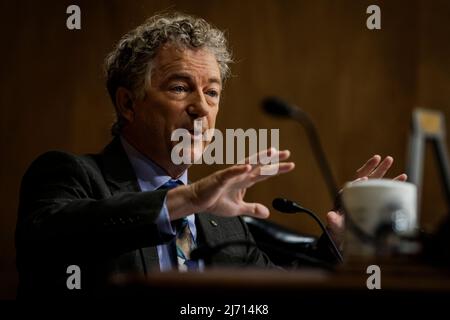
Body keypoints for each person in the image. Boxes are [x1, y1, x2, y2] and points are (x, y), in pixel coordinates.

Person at [15, 12, 406, 298]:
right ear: (128, 104)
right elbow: (50, 237)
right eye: (181, 87)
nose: (202, 108)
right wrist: (185, 200)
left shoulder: (219, 216)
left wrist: (337, 244)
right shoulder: (72, 175)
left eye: (213, 92)